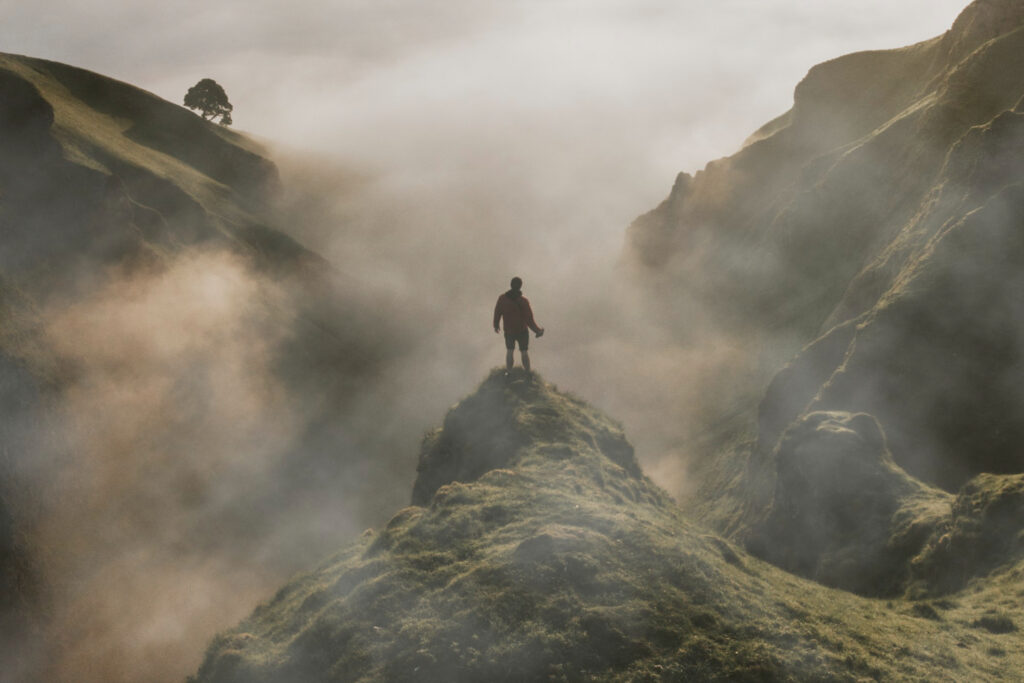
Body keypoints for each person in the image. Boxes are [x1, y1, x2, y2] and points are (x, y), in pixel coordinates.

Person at [493, 276, 544, 373]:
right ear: (520, 287)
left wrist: (496, 325)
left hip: (509, 330)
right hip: (522, 330)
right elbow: (529, 320)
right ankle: (528, 373)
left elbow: (497, 312)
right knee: (524, 352)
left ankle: (509, 372)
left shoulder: (502, 299)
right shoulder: (523, 301)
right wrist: (537, 331)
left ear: (511, 285)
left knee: (509, 351)